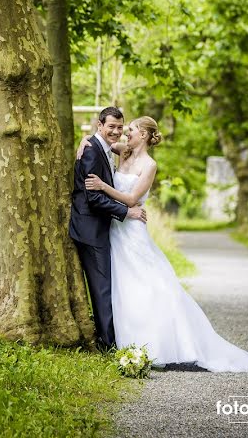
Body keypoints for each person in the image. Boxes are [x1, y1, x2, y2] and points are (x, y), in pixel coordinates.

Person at [78, 116, 248, 372]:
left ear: (145, 136)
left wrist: (102, 185)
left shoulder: (149, 165)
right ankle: (121, 338)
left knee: (147, 282)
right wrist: (83, 140)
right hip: (115, 227)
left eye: (132, 130)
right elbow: (99, 142)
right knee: (121, 283)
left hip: (132, 227)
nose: (126, 133)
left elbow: (132, 198)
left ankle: (159, 341)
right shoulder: (123, 151)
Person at [69, 106, 146, 351]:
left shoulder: (104, 147)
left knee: (107, 286)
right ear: (100, 125)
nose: (115, 131)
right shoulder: (92, 150)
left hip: (100, 228)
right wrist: (126, 211)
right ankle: (107, 345)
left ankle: (111, 338)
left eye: (120, 127)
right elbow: (93, 198)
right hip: (90, 229)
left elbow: (129, 150)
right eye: (111, 126)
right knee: (102, 288)